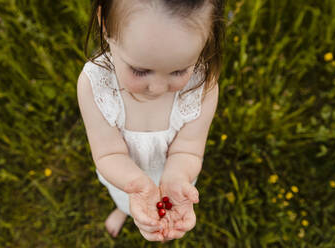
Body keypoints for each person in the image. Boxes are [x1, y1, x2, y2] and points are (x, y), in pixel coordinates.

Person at [77, 0, 226, 242]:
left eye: (178, 71)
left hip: (175, 173)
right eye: (139, 70)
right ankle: (123, 209)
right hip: (124, 176)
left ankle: (136, 204)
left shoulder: (202, 86)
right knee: (126, 198)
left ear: (206, 39)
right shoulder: (95, 87)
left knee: (161, 196)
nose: (157, 88)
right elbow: (108, 154)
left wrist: (177, 177)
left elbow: (188, 150)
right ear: (106, 27)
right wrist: (137, 186)